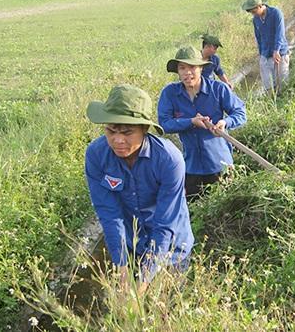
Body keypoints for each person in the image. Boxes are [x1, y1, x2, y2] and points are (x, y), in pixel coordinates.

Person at [85, 84, 194, 289]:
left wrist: (143, 281)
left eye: (127, 132)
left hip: (171, 248)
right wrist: (122, 267)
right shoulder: (96, 155)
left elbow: (165, 224)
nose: (118, 140)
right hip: (132, 244)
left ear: (144, 129)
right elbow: (109, 213)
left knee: (167, 308)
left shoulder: (169, 160)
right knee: (128, 301)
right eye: (110, 130)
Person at [158, 46, 247, 200]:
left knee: (225, 209)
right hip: (191, 166)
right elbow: (164, 124)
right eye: (182, 68)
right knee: (194, 211)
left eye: (192, 67)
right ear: (177, 71)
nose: (187, 73)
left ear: (201, 68)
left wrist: (225, 122)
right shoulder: (170, 93)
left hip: (220, 164)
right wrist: (191, 122)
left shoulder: (218, 89)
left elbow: (240, 113)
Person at [241, 0, 290, 92]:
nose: (253, 14)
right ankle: (271, 102)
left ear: (260, 6)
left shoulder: (276, 13)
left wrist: (276, 50)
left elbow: (280, 33)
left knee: (283, 84)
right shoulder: (256, 19)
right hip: (265, 54)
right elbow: (259, 37)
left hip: (280, 54)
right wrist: (261, 54)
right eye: (251, 13)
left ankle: (283, 102)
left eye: (254, 12)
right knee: (268, 85)